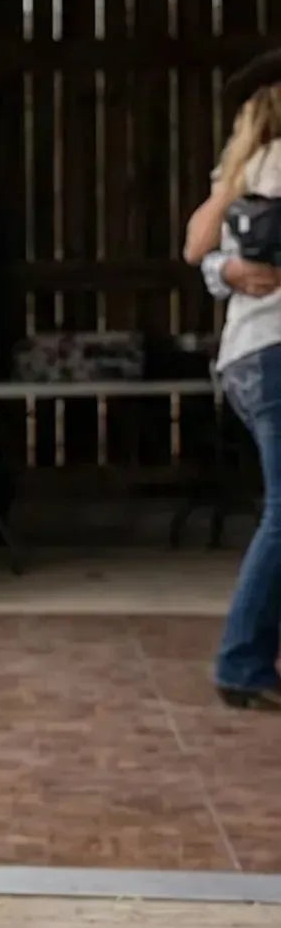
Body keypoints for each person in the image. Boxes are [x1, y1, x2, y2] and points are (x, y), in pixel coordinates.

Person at [187, 45, 281, 708]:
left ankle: (249, 660)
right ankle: (242, 662)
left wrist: (225, 269)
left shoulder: (244, 168)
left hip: (248, 355)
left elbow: (197, 248)